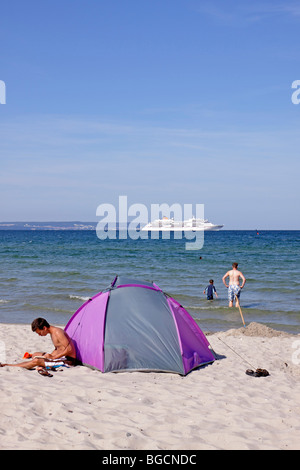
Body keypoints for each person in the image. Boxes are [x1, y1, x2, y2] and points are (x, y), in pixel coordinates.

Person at [0, 317, 77, 371]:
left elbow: (69, 349)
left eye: (39, 333)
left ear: (44, 328)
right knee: (35, 354)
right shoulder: (52, 332)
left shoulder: (57, 332)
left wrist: (53, 357)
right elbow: (58, 348)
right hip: (60, 357)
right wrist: (50, 356)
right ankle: (39, 360)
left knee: (36, 360)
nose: (39, 335)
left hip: (68, 361)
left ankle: (7, 365)